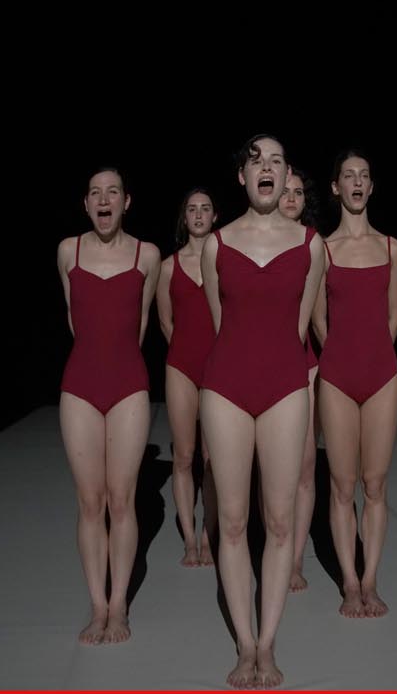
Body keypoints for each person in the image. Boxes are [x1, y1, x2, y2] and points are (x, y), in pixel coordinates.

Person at [200, 135, 327, 689]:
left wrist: (280, 372)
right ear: (243, 177)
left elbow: (300, 328)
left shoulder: (311, 246)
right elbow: (220, 324)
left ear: (286, 173)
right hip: (225, 388)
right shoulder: (217, 245)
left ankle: (269, 643)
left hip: (285, 388)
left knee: (278, 522)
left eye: (277, 161)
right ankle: (244, 644)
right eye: (257, 162)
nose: (267, 169)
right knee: (232, 523)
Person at [56, 167, 162, 645]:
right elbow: (74, 320)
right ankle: (96, 606)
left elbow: (140, 324)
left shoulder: (147, 256)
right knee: (89, 501)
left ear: (126, 202)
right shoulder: (68, 251)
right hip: (80, 383)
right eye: (95, 193)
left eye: (112, 192)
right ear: (86, 204)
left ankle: (118, 606)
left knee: (122, 500)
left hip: (128, 384)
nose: (104, 199)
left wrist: (116, 363)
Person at [312, 150, 397, 619]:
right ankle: (349, 582)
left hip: (382, 375)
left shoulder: (391, 248)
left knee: (376, 483)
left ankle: (371, 580)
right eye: (348, 175)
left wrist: (371, 356)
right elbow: (317, 320)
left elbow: (393, 318)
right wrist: (342, 357)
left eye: (364, 176)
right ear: (336, 187)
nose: (356, 182)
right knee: (342, 484)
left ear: (371, 187)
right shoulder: (323, 250)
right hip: (337, 376)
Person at [155, 188, 220, 568]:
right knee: (183, 455)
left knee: (212, 458)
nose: (198, 215)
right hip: (181, 365)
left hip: (217, 367)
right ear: (184, 217)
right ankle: (190, 541)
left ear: (215, 216)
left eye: (205, 209)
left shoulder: (223, 262)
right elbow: (165, 322)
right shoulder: (168, 267)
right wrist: (184, 351)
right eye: (192, 209)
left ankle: (210, 536)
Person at [278, 166, 321, 593]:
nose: (291, 198)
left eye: (298, 192)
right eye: (285, 191)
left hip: (305, 364)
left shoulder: (314, 245)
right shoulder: (251, 241)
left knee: (305, 465)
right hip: (262, 368)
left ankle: (294, 560)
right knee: (273, 471)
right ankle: (274, 551)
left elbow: (319, 314)